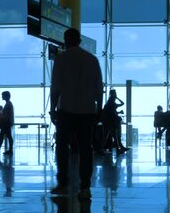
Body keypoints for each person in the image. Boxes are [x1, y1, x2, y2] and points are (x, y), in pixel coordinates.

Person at [50, 28, 103, 200]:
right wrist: (99, 109)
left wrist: (52, 109)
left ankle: (63, 181)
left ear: (65, 41)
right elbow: (98, 89)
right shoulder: (92, 60)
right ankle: (85, 185)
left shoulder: (61, 59)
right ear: (80, 41)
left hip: (66, 110)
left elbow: (56, 87)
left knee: (62, 147)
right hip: (87, 111)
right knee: (85, 149)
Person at [102, 89, 128, 155]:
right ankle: (118, 149)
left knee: (113, 136)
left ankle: (118, 149)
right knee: (115, 136)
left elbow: (111, 112)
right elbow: (122, 103)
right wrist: (117, 98)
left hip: (109, 122)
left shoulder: (109, 103)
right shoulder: (112, 103)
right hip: (112, 122)